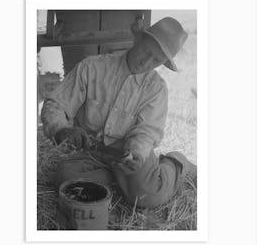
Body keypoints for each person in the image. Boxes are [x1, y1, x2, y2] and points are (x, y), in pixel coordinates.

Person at [41, 17, 196, 209]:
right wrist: (61, 129)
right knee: (65, 179)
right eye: (146, 51)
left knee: (148, 197)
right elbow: (56, 104)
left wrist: (136, 155)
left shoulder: (156, 89)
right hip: (92, 154)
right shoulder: (92, 67)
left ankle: (175, 164)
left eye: (156, 60)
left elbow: (146, 132)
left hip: (128, 155)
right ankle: (124, 184)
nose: (147, 62)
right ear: (137, 40)